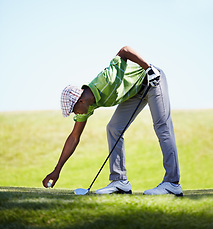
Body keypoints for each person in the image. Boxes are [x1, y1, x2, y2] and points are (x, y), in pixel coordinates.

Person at [42, 46, 183, 196]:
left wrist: (148, 68)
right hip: (135, 93)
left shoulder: (105, 80)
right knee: (113, 128)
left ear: (81, 100)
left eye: (73, 109)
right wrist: (57, 170)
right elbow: (74, 137)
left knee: (162, 126)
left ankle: (172, 183)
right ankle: (119, 181)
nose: (74, 114)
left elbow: (125, 50)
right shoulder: (87, 106)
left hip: (152, 80)